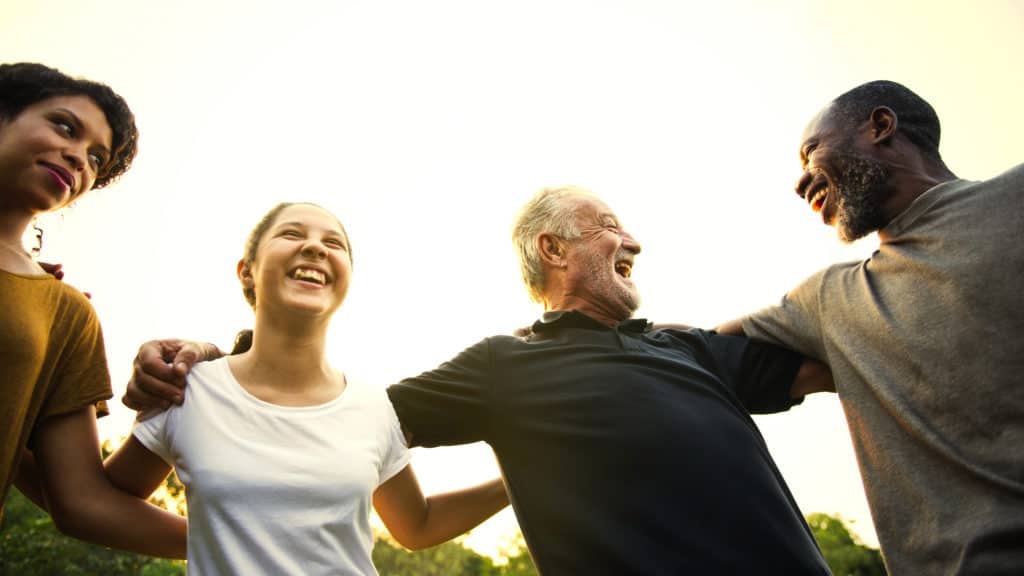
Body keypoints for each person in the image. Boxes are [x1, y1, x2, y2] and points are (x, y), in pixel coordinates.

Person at [126, 187, 833, 574]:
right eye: (610, 226)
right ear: (553, 249)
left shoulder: (692, 348)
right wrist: (212, 357)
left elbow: (839, 362)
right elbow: (328, 419)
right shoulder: (506, 366)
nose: (634, 241)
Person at [717, 80, 1024, 574]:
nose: (800, 184)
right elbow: (693, 351)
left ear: (880, 126)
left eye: (810, 153)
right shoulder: (830, 301)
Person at [105, 202, 509, 575]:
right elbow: (96, 502)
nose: (316, 247)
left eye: (333, 242)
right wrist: (215, 538)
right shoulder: (187, 389)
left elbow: (416, 526)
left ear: (346, 277)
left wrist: (518, 476)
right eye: (292, 234)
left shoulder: (373, 406)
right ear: (247, 270)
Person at [0, 62, 186, 557]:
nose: (79, 157)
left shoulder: (64, 312)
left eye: (96, 158)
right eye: (64, 126)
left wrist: (257, 542)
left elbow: (81, 501)